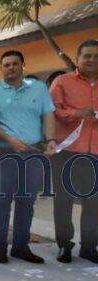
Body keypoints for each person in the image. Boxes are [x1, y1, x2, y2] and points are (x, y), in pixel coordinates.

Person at [0, 50, 56, 264]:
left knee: (26, 201)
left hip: (33, 153)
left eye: (14, 64)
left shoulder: (39, 89)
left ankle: (21, 247)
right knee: (1, 201)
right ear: (1, 68)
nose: (10, 67)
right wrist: (10, 139)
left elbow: (48, 114)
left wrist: (51, 139)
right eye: (6, 65)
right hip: (4, 153)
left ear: (23, 65)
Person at [49, 39, 98, 264]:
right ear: (77, 58)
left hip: (95, 153)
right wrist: (77, 114)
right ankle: (64, 245)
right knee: (64, 200)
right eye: (87, 56)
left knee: (93, 203)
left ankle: (88, 247)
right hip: (67, 151)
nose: (92, 60)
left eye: (96, 57)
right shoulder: (62, 82)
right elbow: (52, 111)